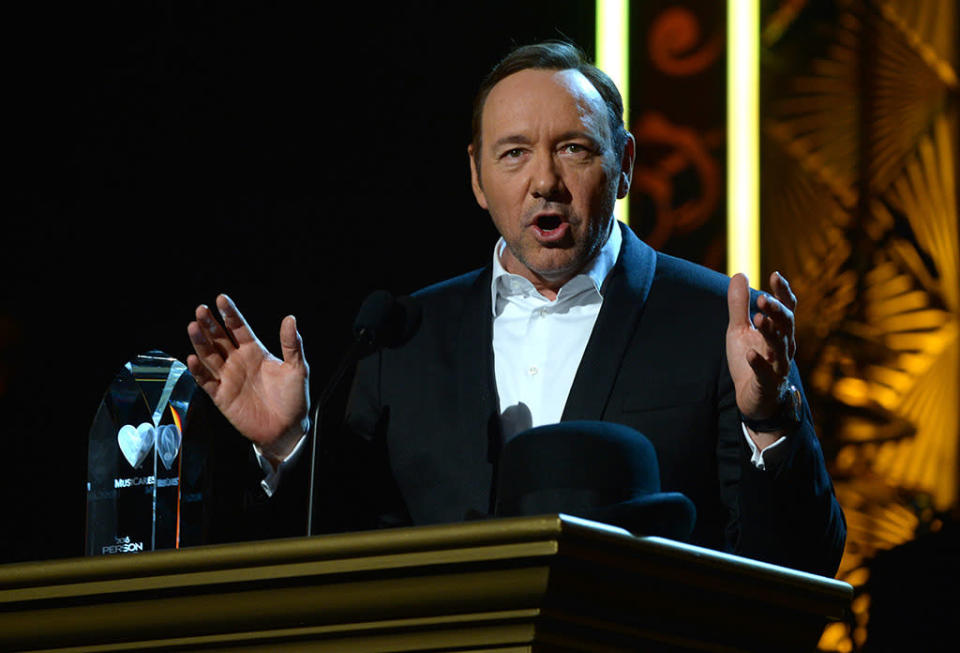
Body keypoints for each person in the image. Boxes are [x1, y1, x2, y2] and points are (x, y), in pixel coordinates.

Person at [186, 41, 845, 576]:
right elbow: (345, 554)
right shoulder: (403, 336)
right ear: (477, 176)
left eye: (573, 148)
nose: (544, 181)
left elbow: (798, 564)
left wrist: (771, 421)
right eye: (514, 153)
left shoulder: (718, 326)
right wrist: (290, 442)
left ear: (623, 165)